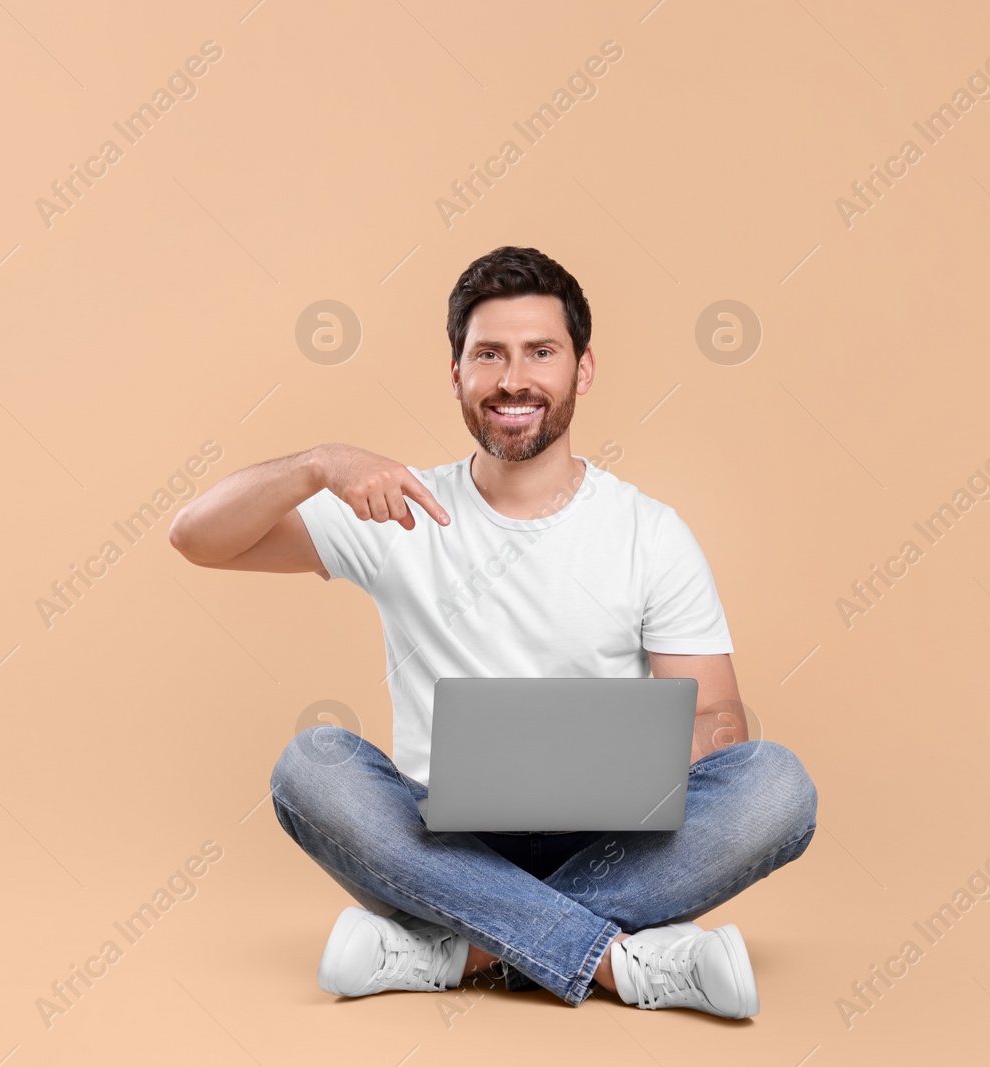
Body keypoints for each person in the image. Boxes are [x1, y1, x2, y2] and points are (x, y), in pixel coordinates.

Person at [168, 246, 817, 1018]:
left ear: (582, 370)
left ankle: (454, 948)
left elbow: (720, 727)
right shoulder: (398, 509)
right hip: (442, 839)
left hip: (609, 843)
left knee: (776, 785)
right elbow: (197, 537)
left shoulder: (650, 532)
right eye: (489, 355)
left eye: (541, 352)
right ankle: (618, 960)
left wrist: (630, 753)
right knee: (311, 765)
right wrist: (318, 463)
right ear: (456, 376)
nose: (515, 379)